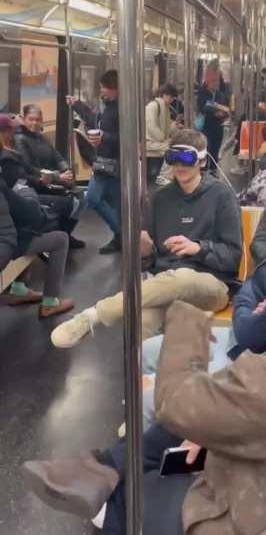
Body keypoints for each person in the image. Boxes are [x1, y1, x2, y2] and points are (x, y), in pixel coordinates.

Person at [22, 213, 266, 535]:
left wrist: (186, 320)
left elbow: (175, 401)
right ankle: (103, 468)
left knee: (134, 492)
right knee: (159, 448)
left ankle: (107, 483)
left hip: (262, 517)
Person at [138, 152, 266, 429]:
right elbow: (251, 286)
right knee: (144, 351)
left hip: (254, 359)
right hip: (236, 335)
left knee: (150, 402)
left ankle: (142, 457)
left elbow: (252, 329)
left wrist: (248, 304)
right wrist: (252, 305)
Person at [51, 129, 242, 348]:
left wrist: (198, 248)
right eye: (173, 158)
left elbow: (232, 257)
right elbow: (149, 262)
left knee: (183, 277)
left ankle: (94, 315)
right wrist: (145, 252)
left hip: (211, 284)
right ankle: (151, 380)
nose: (180, 166)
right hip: (165, 284)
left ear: (201, 161)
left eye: (187, 159)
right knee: (142, 322)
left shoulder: (222, 196)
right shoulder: (160, 199)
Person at [0, 165, 73, 315]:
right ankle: (50, 303)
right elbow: (30, 213)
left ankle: (19, 288)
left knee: (30, 229)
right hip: (8, 244)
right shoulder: (7, 168)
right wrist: (27, 191)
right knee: (60, 239)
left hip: (10, 234)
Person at [12, 106, 85, 249]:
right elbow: (30, 168)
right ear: (24, 119)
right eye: (31, 119)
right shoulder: (20, 139)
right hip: (35, 184)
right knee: (69, 201)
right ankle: (58, 236)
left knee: (81, 197)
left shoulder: (42, 138)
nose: (34, 123)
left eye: (37, 120)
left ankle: (65, 234)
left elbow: (56, 156)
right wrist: (59, 176)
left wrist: (67, 170)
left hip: (51, 180)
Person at [67, 69, 120, 254]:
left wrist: (104, 137)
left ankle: (122, 233)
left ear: (116, 89)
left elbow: (127, 138)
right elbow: (95, 120)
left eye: (105, 88)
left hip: (112, 162)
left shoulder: (122, 109)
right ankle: (121, 236)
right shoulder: (110, 107)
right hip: (106, 163)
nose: (102, 92)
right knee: (115, 203)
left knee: (92, 199)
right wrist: (77, 105)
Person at [196, 59, 229, 169]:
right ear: (207, 82)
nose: (215, 84)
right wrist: (216, 111)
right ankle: (204, 169)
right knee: (206, 149)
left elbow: (226, 108)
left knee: (215, 148)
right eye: (213, 81)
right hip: (206, 126)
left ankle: (214, 170)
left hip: (218, 126)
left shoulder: (220, 94)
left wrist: (223, 114)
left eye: (216, 82)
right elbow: (203, 106)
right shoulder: (202, 93)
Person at [146, 83, 178, 184]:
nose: (172, 100)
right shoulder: (153, 106)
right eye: (171, 97)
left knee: (176, 148)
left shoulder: (166, 108)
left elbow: (167, 128)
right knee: (172, 150)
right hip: (149, 142)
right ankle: (164, 175)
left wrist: (175, 126)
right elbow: (151, 127)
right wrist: (164, 138)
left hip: (157, 141)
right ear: (164, 95)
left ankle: (169, 174)